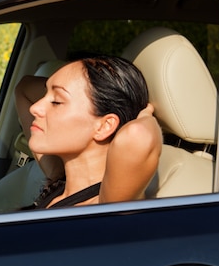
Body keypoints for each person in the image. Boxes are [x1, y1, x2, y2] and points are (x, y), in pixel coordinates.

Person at [15, 55, 162, 209]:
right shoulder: (57, 181)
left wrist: (146, 113)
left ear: (104, 126)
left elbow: (138, 134)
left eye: (56, 102)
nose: (34, 108)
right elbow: (23, 88)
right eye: (45, 95)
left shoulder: (103, 206)